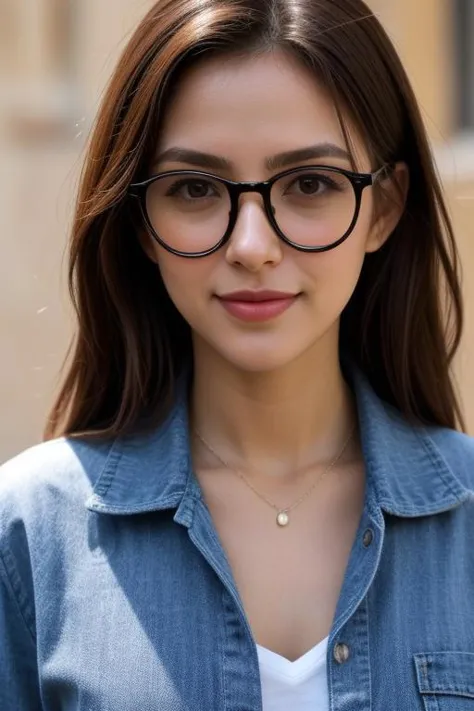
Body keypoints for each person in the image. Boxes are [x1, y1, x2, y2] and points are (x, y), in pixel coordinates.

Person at [1, 0, 474, 708]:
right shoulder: (29, 534)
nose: (252, 247)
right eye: (194, 188)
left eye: (310, 183)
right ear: (140, 221)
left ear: (384, 207)